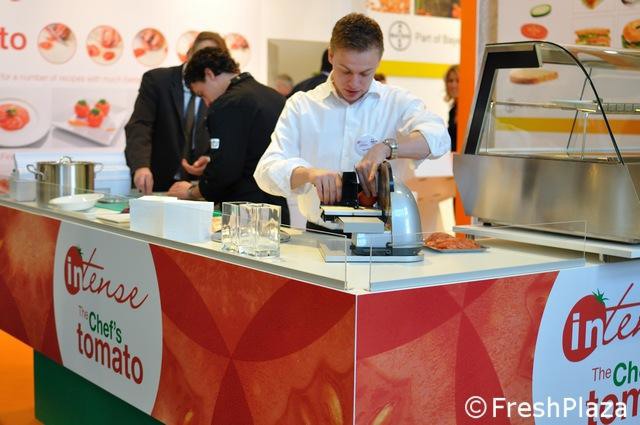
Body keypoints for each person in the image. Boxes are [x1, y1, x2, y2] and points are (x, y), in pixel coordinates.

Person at [254, 13, 450, 230]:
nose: (354, 83)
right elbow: (266, 170)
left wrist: (387, 148)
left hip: (384, 237)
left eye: (365, 73)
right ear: (331, 55)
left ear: (378, 62)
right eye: (345, 71)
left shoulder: (397, 101)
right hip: (321, 234)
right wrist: (309, 174)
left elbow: (439, 137)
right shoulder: (302, 105)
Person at [167, 47, 290, 224]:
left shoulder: (227, 103)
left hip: (244, 214)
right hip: (277, 209)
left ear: (209, 74)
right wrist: (213, 159)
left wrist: (191, 192)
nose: (207, 102)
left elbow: (225, 170)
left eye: (202, 94)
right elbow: (249, 151)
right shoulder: (274, 97)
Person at [124, 31, 228, 194]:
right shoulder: (157, 81)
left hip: (197, 187)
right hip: (155, 183)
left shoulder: (220, 89)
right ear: (189, 54)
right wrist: (141, 166)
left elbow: (222, 134)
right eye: (200, 57)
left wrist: (209, 159)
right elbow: (140, 126)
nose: (204, 66)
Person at [444, 64, 459, 152]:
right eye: (450, 81)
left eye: (458, 80)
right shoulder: (452, 111)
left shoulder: (470, 110)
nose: (454, 85)